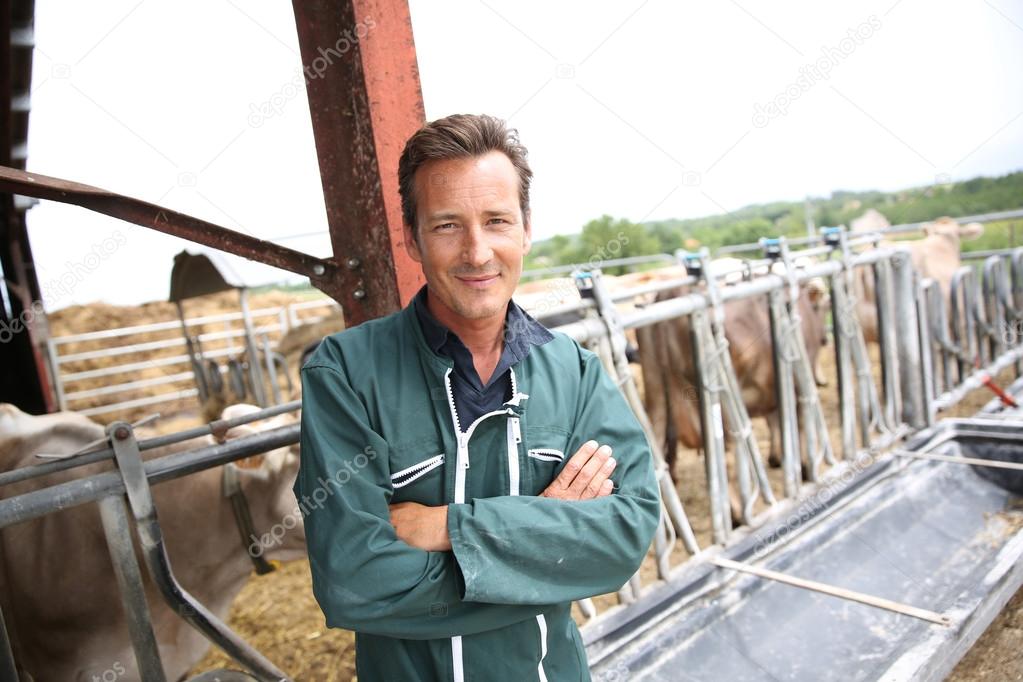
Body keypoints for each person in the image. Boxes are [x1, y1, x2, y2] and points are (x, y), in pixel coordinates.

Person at [295, 113, 660, 681]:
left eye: (496, 221)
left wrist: (446, 529)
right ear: (413, 236)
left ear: (526, 229)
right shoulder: (345, 373)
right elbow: (356, 582)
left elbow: (624, 537)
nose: (477, 252)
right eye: (447, 226)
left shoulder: (574, 371)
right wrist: (546, 543)